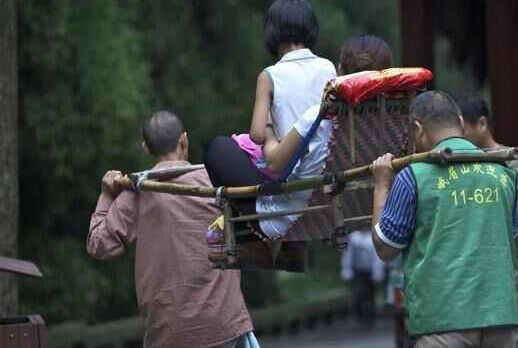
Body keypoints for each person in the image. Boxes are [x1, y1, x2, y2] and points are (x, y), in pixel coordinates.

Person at [204, 35, 392, 271]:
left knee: (218, 148)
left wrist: (270, 127)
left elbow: (274, 163)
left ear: (341, 71)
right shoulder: (390, 120)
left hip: (288, 216)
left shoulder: (321, 115)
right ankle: (293, 249)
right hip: (342, 209)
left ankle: (251, 243)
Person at [87, 111, 256, 348]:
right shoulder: (216, 181)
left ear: (146, 148)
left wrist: (107, 197)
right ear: (184, 140)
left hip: (170, 332)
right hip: (223, 324)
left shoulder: (138, 192)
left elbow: (99, 244)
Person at [370, 91, 518, 347]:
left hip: (442, 323)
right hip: (502, 319)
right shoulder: (503, 173)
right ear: (461, 123)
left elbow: (385, 247)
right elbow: (510, 234)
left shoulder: (412, 177)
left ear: (417, 130)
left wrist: (382, 185)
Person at [455, 92, 518, 348]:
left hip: (505, 269)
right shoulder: (459, 161)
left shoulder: (511, 159)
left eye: (462, 129)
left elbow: (514, 210)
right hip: (469, 273)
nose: (457, 136)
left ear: (482, 124)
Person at [340, 228, 386, 327]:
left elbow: (378, 255)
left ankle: (371, 318)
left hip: (371, 270)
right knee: (359, 294)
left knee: (371, 295)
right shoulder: (353, 237)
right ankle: (359, 316)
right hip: (358, 271)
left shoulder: (374, 236)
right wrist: (346, 269)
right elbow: (348, 254)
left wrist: (378, 271)